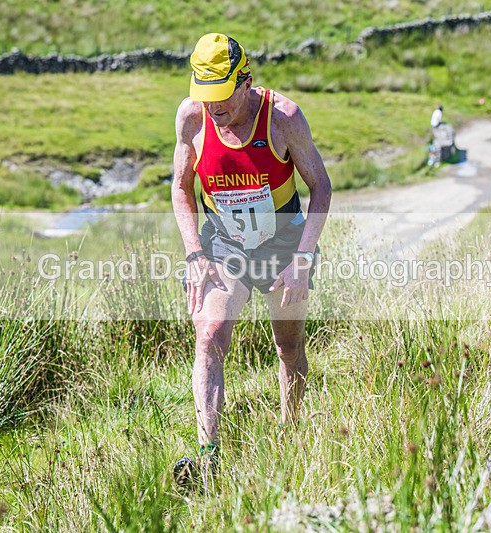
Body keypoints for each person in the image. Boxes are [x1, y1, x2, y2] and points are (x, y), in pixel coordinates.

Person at [171, 33, 331, 488]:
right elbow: (181, 187)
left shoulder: (283, 118)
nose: (214, 105)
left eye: (223, 94)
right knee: (210, 334)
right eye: (206, 94)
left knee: (287, 348)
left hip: (285, 243)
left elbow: (321, 187)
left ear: (246, 81)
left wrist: (302, 260)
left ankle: (290, 437)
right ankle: (209, 459)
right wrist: (194, 253)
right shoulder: (191, 117)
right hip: (226, 243)